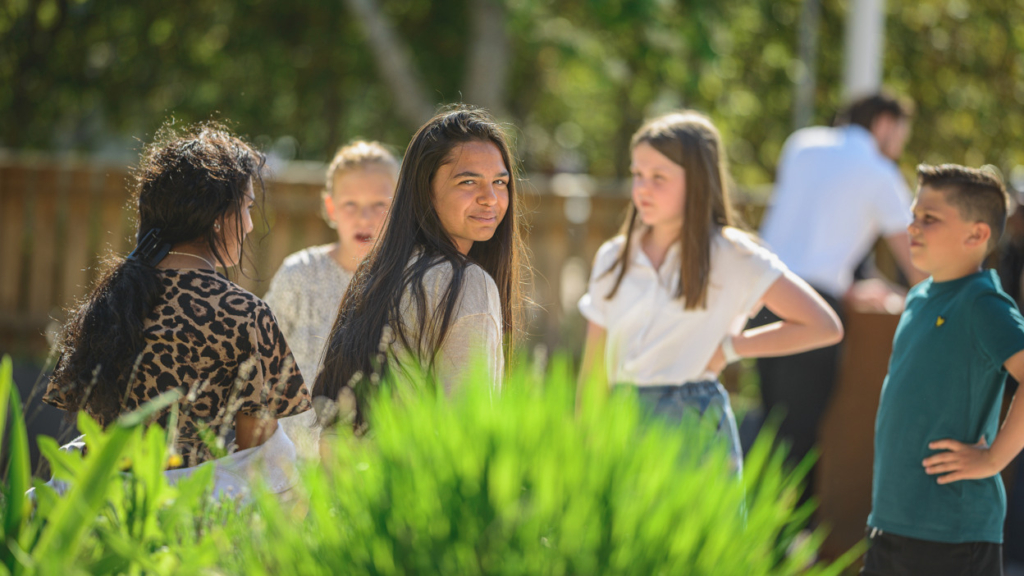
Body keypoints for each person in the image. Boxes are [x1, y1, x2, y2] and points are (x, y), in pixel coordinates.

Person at [576, 110, 843, 472]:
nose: (642, 188)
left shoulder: (733, 254)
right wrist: (583, 443)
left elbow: (823, 325)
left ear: (698, 181)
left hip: (694, 427)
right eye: (637, 174)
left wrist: (731, 348)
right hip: (620, 425)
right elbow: (594, 370)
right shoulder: (614, 256)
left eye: (659, 177)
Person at [44, 122, 311, 470]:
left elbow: (88, 421)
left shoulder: (113, 296)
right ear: (217, 216)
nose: (249, 225)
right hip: (184, 511)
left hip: (102, 503)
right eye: (246, 208)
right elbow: (259, 458)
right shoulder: (244, 314)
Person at [312, 106, 527, 431]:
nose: (490, 198)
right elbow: (467, 431)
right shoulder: (466, 282)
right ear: (425, 190)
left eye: (500, 182)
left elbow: (334, 428)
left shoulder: (379, 272)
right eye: (468, 181)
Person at [755, 92, 925, 499]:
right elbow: (915, 258)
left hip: (760, 294)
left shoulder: (801, 144)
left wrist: (848, 285)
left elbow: (801, 233)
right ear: (884, 123)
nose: (900, 144)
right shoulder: (879, 172)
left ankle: (758, 541)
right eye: (901, 132)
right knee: (800, 434)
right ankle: (788, 550)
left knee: (770, 425)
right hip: (812, 308)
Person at [863, 164, 1024, 576]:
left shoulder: (983, 303)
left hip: (952, 535)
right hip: (891, 523)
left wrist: (992, 461)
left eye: (929, 219)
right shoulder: (918, 297)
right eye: (914, 216)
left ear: (977, 234)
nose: (913, 227)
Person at [263, 141, 398, 457]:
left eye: (380, 204)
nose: (364, 217)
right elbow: (260, 364)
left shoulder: (409, 282)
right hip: (295, 463)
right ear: (331, 207)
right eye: (351, 204)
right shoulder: (300, 274)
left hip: (374, 462)